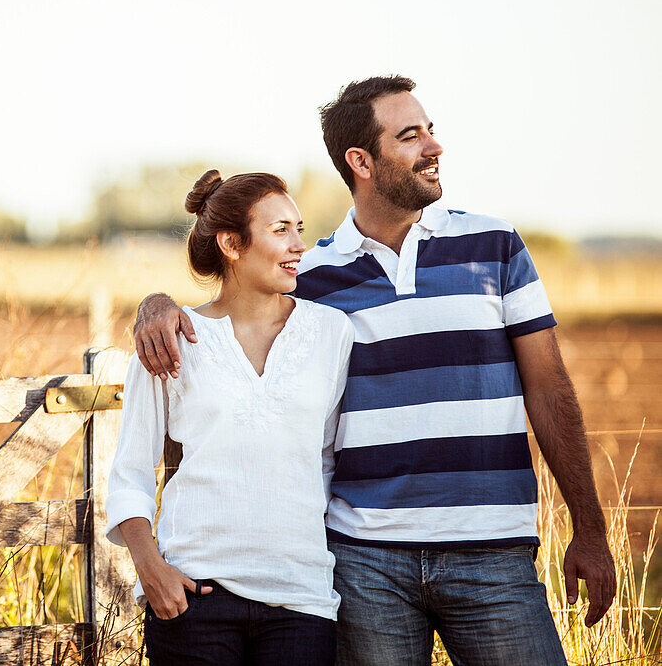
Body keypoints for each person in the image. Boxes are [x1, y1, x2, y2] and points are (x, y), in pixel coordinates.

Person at [132, 76, 617, 665]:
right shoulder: (308, 279)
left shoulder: (495, 245)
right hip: (365, 563)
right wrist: (155, 305)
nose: (433, 147)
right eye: (410, 136)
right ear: (360, 160)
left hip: (493, 555)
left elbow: (549, 389)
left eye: (430, 131)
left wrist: (590, 529)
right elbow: (224, 316)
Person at [106, 170, 354, 666]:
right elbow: (130, 472)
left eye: (299, 228)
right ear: (231, 244)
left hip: (301, 600)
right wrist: (150, 569)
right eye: (280, 229)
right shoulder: (170, 338)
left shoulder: (330, 333)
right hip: (195, 598)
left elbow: (327, 461)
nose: (299, 244)